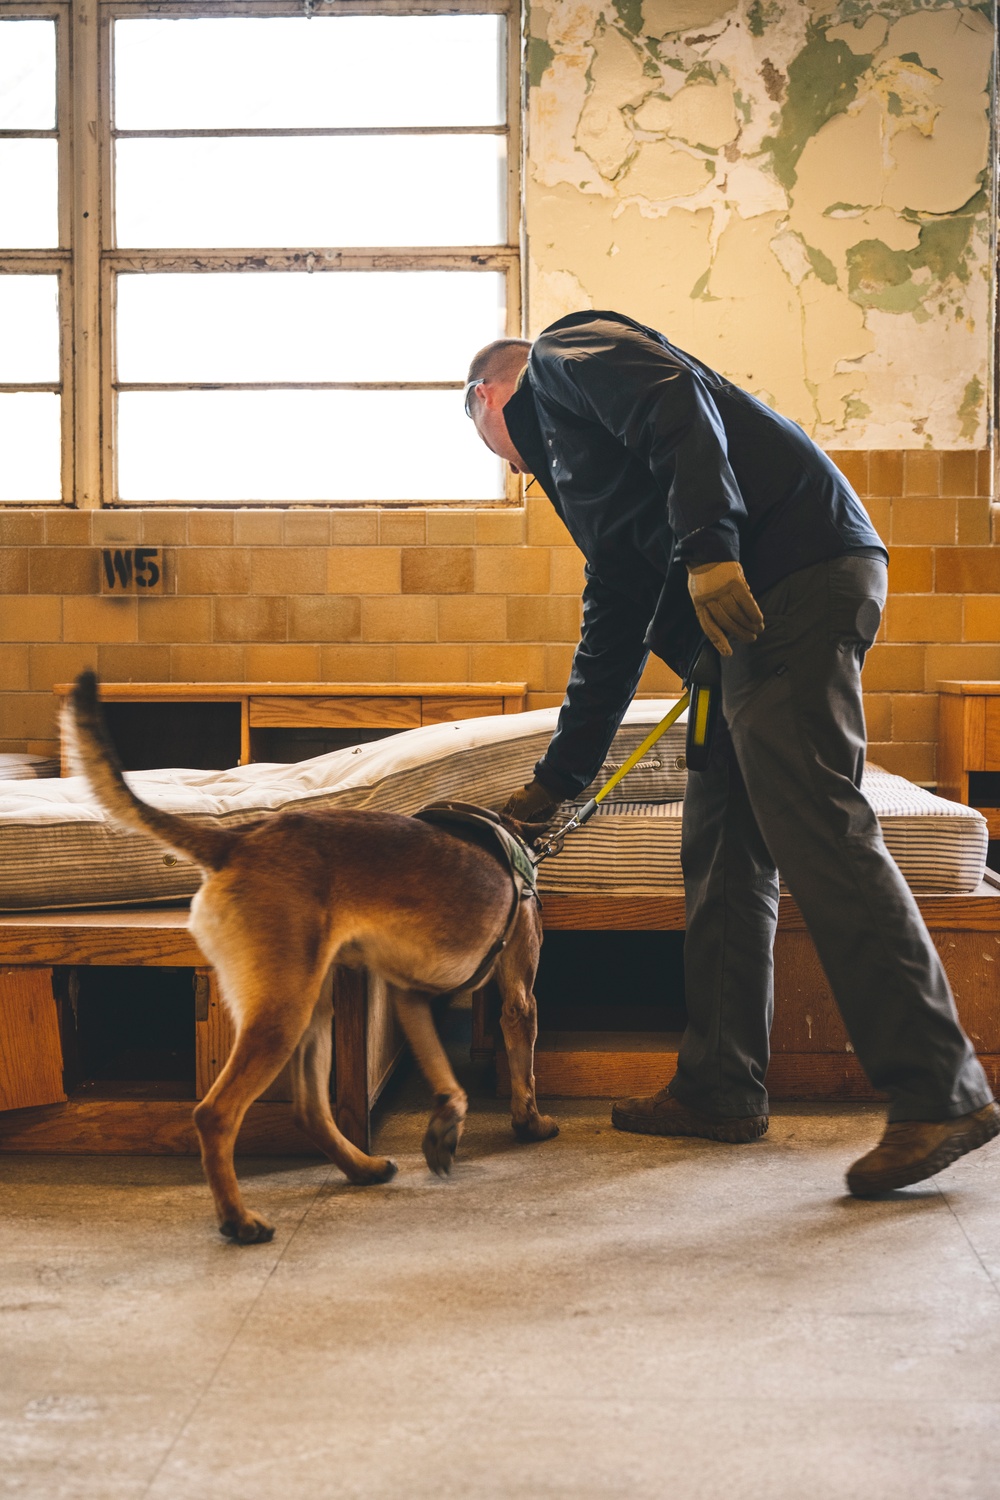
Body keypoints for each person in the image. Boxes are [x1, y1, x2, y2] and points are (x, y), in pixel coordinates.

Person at [464, 309, 999, 1197]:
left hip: (782, 583)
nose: (516, 472)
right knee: (719, 845)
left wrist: (711, 553)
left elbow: (679, 405)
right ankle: (720, 1084)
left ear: (488, 397)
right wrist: (560, 778)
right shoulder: (583, 466)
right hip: (737, 637)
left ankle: (941, 1090)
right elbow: (618, 606)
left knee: (819, 826)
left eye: (503, 454)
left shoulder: (564, 357)